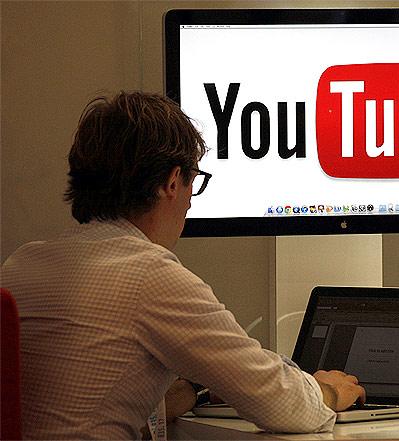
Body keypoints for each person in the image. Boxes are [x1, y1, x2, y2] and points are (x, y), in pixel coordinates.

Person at [1, 91, 366, 440]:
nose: (190, 204)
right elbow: (283, 407)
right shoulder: (149, 274)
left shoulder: (22, 264)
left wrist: (193, 390)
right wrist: (327, 391)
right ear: (173, 183)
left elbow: (83, 402)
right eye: (195, 182)